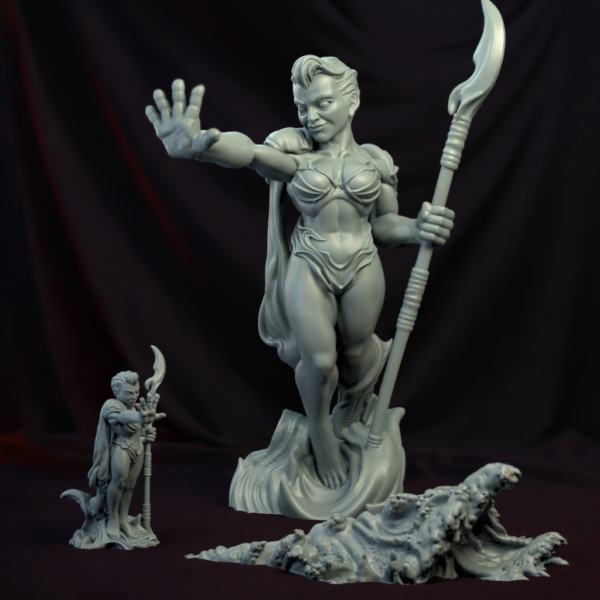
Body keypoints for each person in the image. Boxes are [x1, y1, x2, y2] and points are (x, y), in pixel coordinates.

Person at [146, 55, 454, 490]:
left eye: (323, 104)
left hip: (363, 263)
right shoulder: (294, 153)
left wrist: (416, 228)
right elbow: (250, 152)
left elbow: (384, 225)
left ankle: (349, 412)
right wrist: (200, 146)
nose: (311, 116)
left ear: (352, 101)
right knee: (321, 362)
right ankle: (320, 430)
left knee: (356, 355)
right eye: (302, 106)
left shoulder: (376, 161)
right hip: (310, 262)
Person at [87, 371, 166, 539]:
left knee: (130, 485)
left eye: (136, 392)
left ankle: (123, 520)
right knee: (118, 483)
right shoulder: (112, 406)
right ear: (117, 391)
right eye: (129, 393)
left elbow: (137, 431)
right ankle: (113, 519)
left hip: (138, 449)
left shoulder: (136, 407)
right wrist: (139, 417)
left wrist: (146, 433)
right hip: (121, 449)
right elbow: (122, 417)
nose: (134, 396)